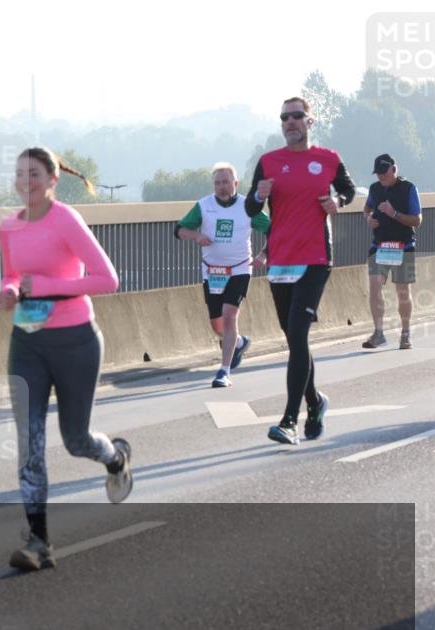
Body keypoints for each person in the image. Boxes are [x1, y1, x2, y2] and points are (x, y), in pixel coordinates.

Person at [0, 147, 130, 572]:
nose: (26, 181)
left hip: (75, 341)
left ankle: (115, 458)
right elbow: (13, 274)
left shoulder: (66, 219)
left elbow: (107, 279)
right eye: (20, 174)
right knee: (29, 443)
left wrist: (48, 286)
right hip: (27, 343)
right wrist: (11, 289)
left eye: (34, 174)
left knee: (75, 440)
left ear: (53, 180)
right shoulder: (8, 227)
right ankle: (39, 541)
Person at [245, 97, 356, 446]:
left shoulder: (328, 159)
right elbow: (250, 206)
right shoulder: (268, 162)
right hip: (280, 261)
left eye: (297, 116)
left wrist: (336, 202)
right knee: (294, 340)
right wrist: (257, 196)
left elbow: (349, 191)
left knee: (297, 332)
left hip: (315, 261)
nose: (290, 122)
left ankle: (290, 420)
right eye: (284, 117)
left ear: (309, 122)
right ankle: (315, 402)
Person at [176, 162, 270, 387]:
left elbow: (274, 231)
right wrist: (196, 236)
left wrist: (264, 255)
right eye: (217, 183)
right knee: (216, 324)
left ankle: (223, 371)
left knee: (229, 315)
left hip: (239, 268)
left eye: (226, 182)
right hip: (212, 271)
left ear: (235, 183)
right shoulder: (204, 205)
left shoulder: (249, 206)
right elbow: (179, 230)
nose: (221, 187)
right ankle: (237, 342)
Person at [361, 153, 423, 350]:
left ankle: (405, 333)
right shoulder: (374, 189)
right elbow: (367, 207)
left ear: (394, 170)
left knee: (402, 291)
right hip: (379, 246)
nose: (380, 176)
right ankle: (378, 333)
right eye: (377, 173)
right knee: (374, 286)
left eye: (384, 172)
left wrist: (394, 213)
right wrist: (367, 218)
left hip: (403, 246)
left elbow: (417, 220)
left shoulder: (408, 189)